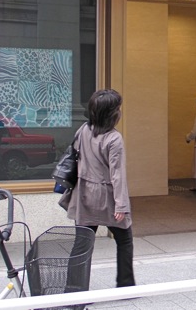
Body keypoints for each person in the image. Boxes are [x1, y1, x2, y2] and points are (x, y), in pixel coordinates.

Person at [65, 89, 135, 288]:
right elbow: (117, 174)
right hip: (107, 196)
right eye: (118, 108)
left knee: (81, 245)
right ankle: (125, 285)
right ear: (112, 113)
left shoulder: (83, 130)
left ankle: (75, 289)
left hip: (84, 195)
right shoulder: (114, 138)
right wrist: (121, 205)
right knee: (124, 240)